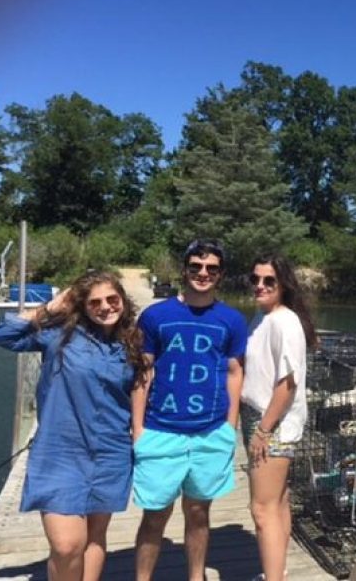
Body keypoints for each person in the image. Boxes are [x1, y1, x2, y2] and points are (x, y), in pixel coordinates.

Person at [0, 271, 145, 581]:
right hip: (60, 452)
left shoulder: (131, 343)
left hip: (111, 451)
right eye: (94, 302)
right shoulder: (59, 335)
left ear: (123, 302)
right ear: (82, 306)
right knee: (66, 545)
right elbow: (4, 335)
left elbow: (141, 387)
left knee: (95, 536)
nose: (105, 307)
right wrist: (51, 307)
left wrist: (139, 431)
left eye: (112, 300)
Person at [132, 239, 247, 581]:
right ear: (184, 270)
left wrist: (230, 426)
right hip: (161, 430)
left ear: (220, 274)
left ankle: (195, 577)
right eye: (196, 266)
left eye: (212, 268)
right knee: (155, 515)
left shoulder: (232, 319)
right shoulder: (156, 316)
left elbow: (234, 371)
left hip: (210, 432)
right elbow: (143, 371)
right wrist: (138, 428)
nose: (203, 273)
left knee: (198, 512)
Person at [241, 253, 318, 581]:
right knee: (278, 499)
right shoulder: (263, 317)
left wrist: (263, 429)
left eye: (268, 280)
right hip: (262, 417)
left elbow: (287, 384)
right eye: (255, 279)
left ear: (283, 284)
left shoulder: (284, 321)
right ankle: (279, 572)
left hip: (272, 422)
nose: (260, 286)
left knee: (262, 509)